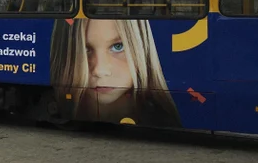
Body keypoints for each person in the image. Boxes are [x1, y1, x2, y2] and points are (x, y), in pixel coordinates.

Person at [49, 18, 182, 128]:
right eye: (85, 49)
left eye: (118, 46)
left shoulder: (163, 121)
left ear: (141, 47)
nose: (100, 71)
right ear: (63, 54)